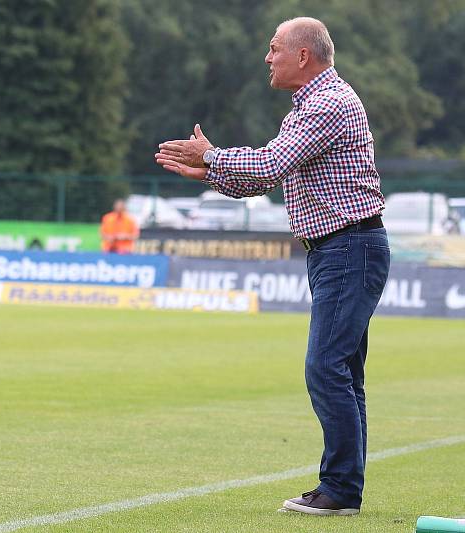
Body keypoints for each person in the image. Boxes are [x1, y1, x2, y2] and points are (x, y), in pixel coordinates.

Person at [154, 17, 389, 516]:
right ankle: (343, 486)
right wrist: (210, 171)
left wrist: (214, 153)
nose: (268, 56)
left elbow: (265, 166)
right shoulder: (313, 103)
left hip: (347, 248)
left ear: (303, 55)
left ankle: (341, 489)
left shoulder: (326, 103)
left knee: (326, 368)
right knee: (342, 370)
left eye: (274, 48)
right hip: (343, 248)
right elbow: (261, 179)